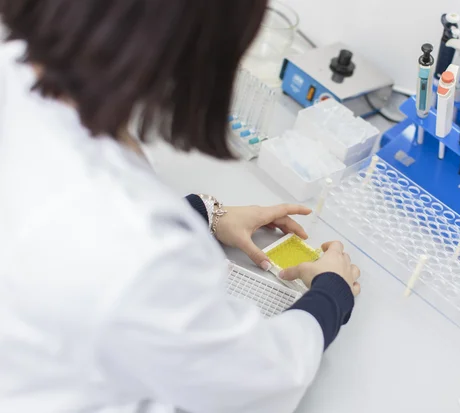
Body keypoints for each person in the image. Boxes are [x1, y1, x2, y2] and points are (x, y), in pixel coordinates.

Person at [0, 1, 362, 412]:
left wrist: (203, 213)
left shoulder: (14, 72)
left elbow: (63, 225)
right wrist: (332, 294)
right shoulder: (138, 250)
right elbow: (252, 384)